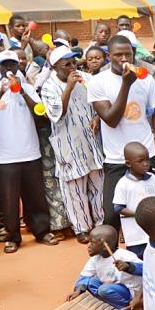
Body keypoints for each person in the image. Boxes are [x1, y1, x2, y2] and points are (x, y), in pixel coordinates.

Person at [88, 35, 155, 229]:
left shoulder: (146, 79)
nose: (123, 59)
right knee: (112, 215)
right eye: (118, 55)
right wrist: (126, 85)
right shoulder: (98, 82)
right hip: (117, 159)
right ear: (108, 56)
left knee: (153, 213)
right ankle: (112, 257)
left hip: (147, 156)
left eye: (128, 54)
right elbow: (111, 119)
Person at [0, 50, 57, 253]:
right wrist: (1, 92)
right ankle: (12, 236)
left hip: (30, 151)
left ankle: (42, 231)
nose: (9, 69)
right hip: (5, 155)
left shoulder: (28, 88)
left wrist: (21, 91)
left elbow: (40, 114)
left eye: (12, 65)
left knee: (36, 196)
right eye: (5, 65)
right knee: (9, 199)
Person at [38, 46, 105, 243]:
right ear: (56, 66)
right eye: (67, 64)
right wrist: (68, 87)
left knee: (98, 184)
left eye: (74, 62)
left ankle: (100, 224)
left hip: (91, 141)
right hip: (68, 144)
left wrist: (97, 117)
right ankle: (82, 228)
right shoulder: (49, 87)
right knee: (74, 189)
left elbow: (98, 103)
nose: (72, 67)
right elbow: (56, 114)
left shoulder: (87, 79)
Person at [69, 224, 141, 309]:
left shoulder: (125, 256)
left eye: (92, 242)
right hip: (110, 287)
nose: (88, 245)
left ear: (105, 246)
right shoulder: (96, 258)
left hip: (129, 291)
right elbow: (85, 276)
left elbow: (146, 269)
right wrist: (78, 290)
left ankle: (125, 306)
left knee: (103, 290)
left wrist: (130, 267)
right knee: (90, 282)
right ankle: (110, 303)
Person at [113, 142, 155, 259]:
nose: (146, 164)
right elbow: (118, 208)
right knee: (138, 260)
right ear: (128, 164)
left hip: (154, 231)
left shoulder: (153, 178)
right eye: (140, 161)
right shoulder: (123, 183)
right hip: (135, 235)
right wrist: (139, 214)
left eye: (147, 160)